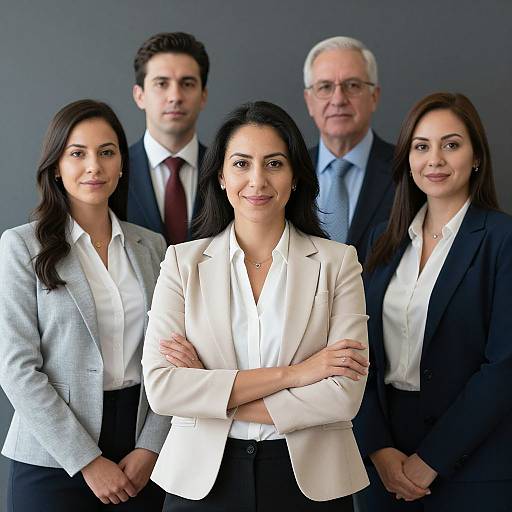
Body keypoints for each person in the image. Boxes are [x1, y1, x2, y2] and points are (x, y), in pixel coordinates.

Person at [142, 101, 370, 511]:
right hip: (201, 479)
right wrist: (298, 374)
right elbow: (163, 388)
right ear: (221, 176)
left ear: (296, 176)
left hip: (309, 480)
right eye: (242, 163)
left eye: (274, 164)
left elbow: (342, 395)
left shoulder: (338, 263)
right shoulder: (181, 262)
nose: (258, 180)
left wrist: (214, 394)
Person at [0, 99, 171, 510]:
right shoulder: (21, 246)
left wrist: (151, 447)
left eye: (107, 152)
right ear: (56, 166)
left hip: (139, 451)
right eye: (77, 153)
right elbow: (17, 368)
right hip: (53, 455)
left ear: (122, 165)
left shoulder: (152, 247)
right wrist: (87, 460)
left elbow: (175, 356)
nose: (94, 166)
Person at [353, 92, 512, 510]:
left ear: (476, 156)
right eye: (422, 146)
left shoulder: (502, 240)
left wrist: (432, 460)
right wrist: (378, 450)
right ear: (408, 157)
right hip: (383, 459)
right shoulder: (382, 240)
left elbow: (504, 367)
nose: (435, 159)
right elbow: (357, 353)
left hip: (471, 458)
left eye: (452, 144)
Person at [304, 36, 394, 264]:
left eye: (352, 85)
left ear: (374, 97)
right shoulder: (289, 171)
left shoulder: (407, 170)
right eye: (325, 87)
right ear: (309, 101)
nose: (338, 99)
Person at [128, 32, 209, 244]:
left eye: (188, 83)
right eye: (162, 83)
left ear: (203, 96)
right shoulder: (114, 172)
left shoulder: (225, 169)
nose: (175, 96)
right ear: (140, 95)